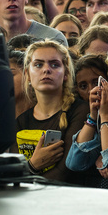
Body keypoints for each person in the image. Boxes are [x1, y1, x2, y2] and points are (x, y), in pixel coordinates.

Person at [14, 40, 88, 184]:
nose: (46, 70)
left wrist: (28, 173)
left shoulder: (80, 110)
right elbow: (13, 173)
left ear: (65, 73)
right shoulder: (21, 121)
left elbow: (65, 172)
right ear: (27, 74)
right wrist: (33, 166)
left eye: (54, 64)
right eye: (38, 64)